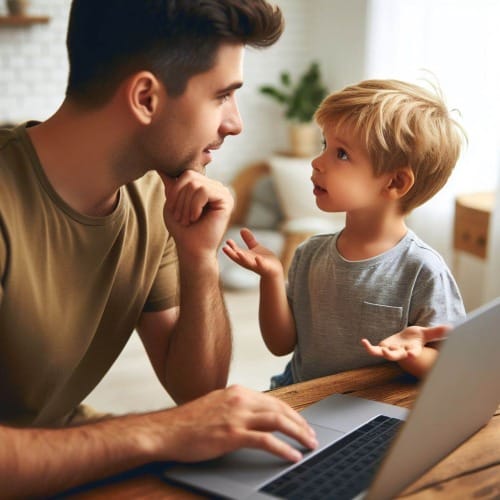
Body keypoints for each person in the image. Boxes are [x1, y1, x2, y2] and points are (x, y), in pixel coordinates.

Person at [0, 0, 320, 496]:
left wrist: (198, 258)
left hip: (61, 455)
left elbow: (197, 393)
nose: (235, 124)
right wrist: (162, 432)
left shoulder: (153, 193)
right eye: (222, 96)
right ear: (146, 97)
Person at [224, 79, 466, 388]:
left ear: (394, 183)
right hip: (302, 398)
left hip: (371, 411)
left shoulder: (422, 270)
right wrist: (271, 276)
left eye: (341, 154)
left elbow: (452, 366)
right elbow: (281, 344)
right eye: (325, 145)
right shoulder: (310, 253)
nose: (316, 162)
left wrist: (412, 355)